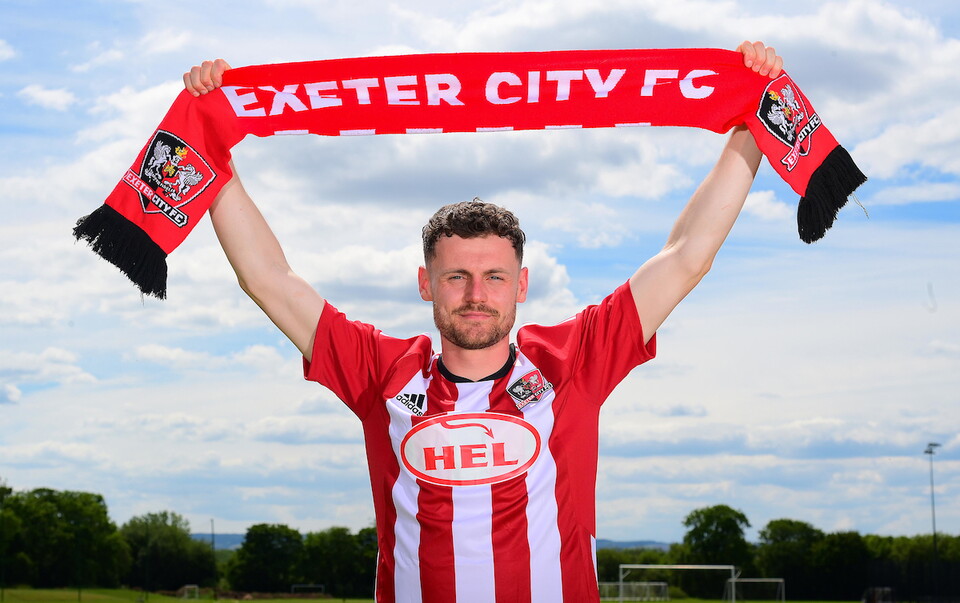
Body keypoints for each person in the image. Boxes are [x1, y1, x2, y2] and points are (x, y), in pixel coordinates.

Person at [184, 41, 784, 603]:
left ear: (521, 285)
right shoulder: (381, 371)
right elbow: (267, 278)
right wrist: (210, 141)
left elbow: (685, 257)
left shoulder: (571, 361)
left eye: (495, 276)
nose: (476, 295)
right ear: (426, 284)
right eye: (456, 276)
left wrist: (751, 121)